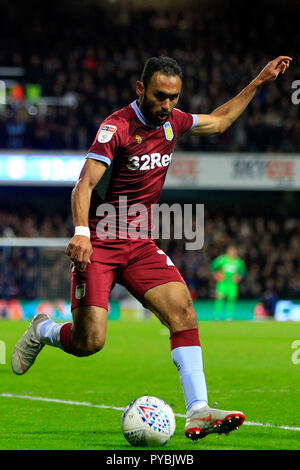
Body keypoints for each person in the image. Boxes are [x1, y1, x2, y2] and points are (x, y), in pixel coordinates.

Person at [12, 54, 292, 441]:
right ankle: (44, 329)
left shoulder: (174, 122)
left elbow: (220, 120)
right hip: (101, 243)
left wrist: (258, 82)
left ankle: (198, 411)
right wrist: (80, 232)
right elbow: (84, 185)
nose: (168, 105)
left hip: (140, 243)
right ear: (141, 89)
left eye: (174, 97)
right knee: (89, 341)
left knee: (184, 313)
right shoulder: (117, 128)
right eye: (160, 96)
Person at [211, 245, 246, 320]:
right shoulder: (222, 259)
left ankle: (229, 316)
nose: (232, 253)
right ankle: (217, 316)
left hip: (232, 284)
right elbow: (213, 266)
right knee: (219, 299)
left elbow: (243, 271)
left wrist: (239, 276)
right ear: (228, 252)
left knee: (231, 300)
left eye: (234, 252)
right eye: (231, 251)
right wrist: (216, 274)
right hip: (222, 283)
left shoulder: (238, 261)